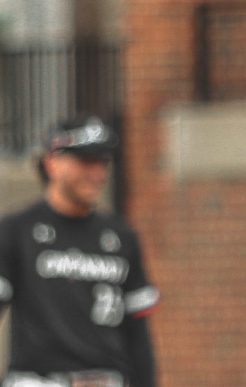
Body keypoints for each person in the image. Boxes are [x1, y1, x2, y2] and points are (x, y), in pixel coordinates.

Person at [0, 115, 159, 387]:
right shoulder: (17, 230)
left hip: (107, 379)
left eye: (102, 163)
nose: (96, 173)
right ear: (52, 162)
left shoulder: (121, 236)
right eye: (85, 162)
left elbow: (138, 333)